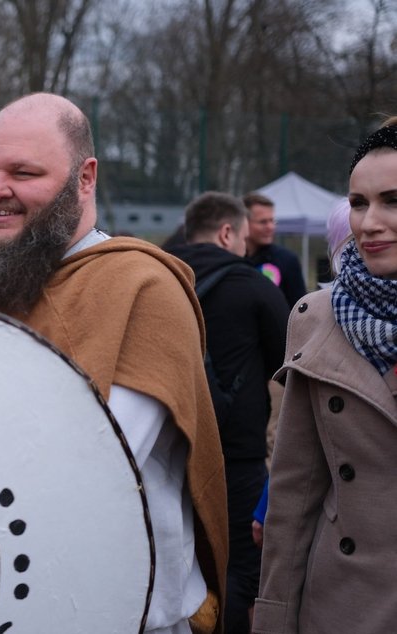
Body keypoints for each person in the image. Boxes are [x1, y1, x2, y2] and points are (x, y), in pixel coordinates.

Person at [0, 93, 228, 634]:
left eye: (24, 172)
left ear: (84, 177)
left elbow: (82, 468)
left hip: (120, 615)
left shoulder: (139, 289)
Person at [253, 120, 397, 633]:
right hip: (340, 605)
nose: (370, 223)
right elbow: (293, 492)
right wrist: (272, 618)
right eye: (359, 202)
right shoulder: (314, 317)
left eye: (392, 201)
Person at [166, 192, 289, 634]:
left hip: (163, 450)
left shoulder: (150, 276)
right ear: (226, 233)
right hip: (234, 456)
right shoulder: (254, 286)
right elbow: (289, 364)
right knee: (236, 565)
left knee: (167, 557)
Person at [243, 192, 308, 308]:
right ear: (244, 223)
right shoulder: (231, 258)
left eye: (272, 221)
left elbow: (299, 309)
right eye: (263, 222)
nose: (270, 227)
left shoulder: (287, 260)